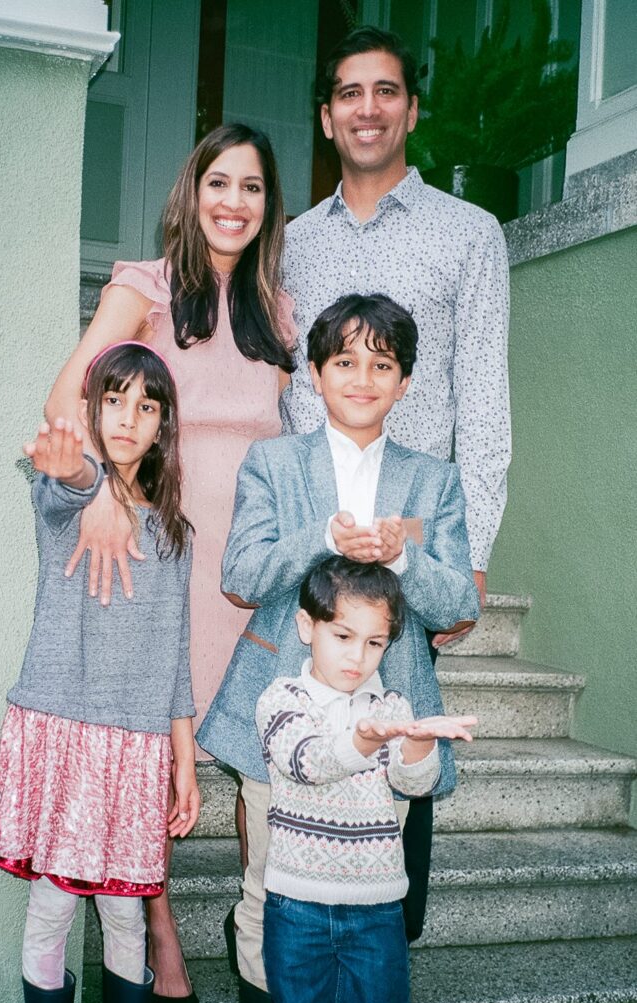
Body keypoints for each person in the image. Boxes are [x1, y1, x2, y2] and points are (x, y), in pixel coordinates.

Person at [45, 124, 295, 1003]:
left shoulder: (279, 307)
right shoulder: (143, 288)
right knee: (151, 757)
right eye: (218, 182)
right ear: (190, 193)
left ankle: (258, 930)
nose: (234, 202)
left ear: (270, 205)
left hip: (254, 571)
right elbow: (68, 395)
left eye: (253, 187)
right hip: (165, 560)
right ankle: (159, 939)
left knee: (251, 760)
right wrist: (111, 496)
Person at [280, 24, 510, 941]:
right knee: (316, 718)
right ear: (328, 116)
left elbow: (484, 400)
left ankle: (388, 932)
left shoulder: (471, 234)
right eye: (348, 93)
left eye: (385, 92)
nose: (366, 108)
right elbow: (291, 388)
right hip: (320, 536)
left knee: (402, 728)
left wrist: (472, 556)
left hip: (416, 538)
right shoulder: (293, 242)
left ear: (411, 109)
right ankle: (299, 918)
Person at [197, 293, 480, 1003]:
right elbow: (242, 576)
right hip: (281, 710)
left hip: (388, 718)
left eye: (381, 364)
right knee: (267, 883)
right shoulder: (274, 463)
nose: (363, 377)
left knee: (380, 895)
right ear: (315, 376)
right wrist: (321, 535)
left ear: (405, 382)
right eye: (344, 361)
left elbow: (458, 606)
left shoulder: (433, 479)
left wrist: (405, 557)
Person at [0, 343, 197, 1003]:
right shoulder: (65, 498)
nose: (128, 417)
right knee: (50, 907)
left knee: (125, 912)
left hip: (136, 749)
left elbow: (177, 657)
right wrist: (85, 473)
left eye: (146, 405)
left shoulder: (175, 534)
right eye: (114, 400)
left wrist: (184, 766)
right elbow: (69, 475)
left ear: (163, 424)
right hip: (61, 730)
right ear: (93, 409)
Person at [258, 557, 477, 1003]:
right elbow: (307, 761)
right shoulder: (282, 697)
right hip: (297, 908)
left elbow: (411, 783)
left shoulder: (391, 704)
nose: (357, 657)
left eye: (374, 643)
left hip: (378, 909)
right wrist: (365, 738)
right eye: (343, 636)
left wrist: (418, 743)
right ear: (306, 626)